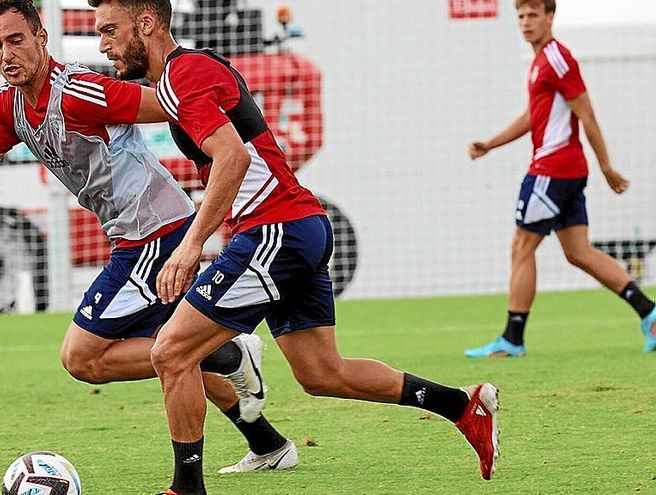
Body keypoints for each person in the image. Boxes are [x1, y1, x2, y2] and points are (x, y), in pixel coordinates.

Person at [88, 1, 500, 493]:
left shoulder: (183, 74)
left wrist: (189, 247)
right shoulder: (186, 72)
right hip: (299, 226)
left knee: (171, 352)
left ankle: (186, 488)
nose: (103, 43)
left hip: (273, 231)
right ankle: (461, 406)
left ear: (148, 24)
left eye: (110, 30)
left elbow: (233, 158)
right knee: (323, 373)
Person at [0, 0, 300, 473]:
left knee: (83, 358)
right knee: (172, 351)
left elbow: (169, 102)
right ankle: (268, 443)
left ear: (42, 38)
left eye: (16, 40)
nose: (6, 53)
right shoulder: (8, 106)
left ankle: (225, 350)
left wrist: (224, 124)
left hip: (157, 234)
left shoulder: (83, 90)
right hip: (133, 238)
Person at [464, 0, 656, 358]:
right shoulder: (539, 63)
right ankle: (651, 313)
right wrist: (491, 143)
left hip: (552, 170)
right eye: (520, 16)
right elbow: (531, 117)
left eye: (533, 15)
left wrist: (607, 167)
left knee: (521, 247)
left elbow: (587, 114)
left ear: (550, 17)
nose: (525, 22)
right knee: (578, 252)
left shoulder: (557, 58)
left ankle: (512, 339)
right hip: (566, 170)